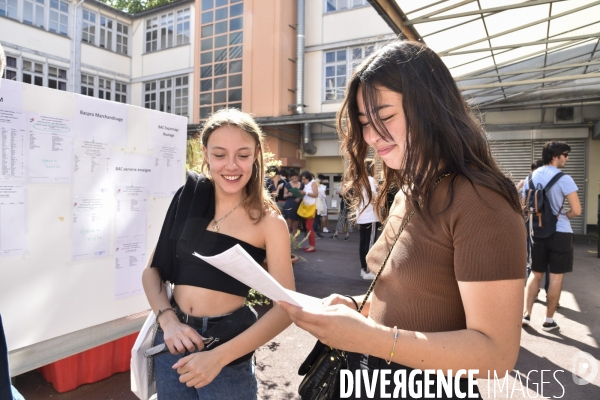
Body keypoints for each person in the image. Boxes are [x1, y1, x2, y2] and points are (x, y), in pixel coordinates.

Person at [280, 41, 526, 398]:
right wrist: (355, 306)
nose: (370, 135)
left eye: (385, 117)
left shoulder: (480, 200)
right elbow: (411, 295)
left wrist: (373, 338)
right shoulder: (411, 187)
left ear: (432, 107)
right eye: (364, 122)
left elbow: (497, 354)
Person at [141, 109, 294, 400]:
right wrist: (169, 322)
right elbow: (152, 271)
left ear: (257, 154)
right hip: (174, 343)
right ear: (206, 154)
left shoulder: (269, 222)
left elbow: (287, 308)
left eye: (243, 155)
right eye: (220, 154)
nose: (231, 165)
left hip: (228, 353)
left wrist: (219, 357)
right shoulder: (188, 197)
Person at [522, 141, 581, 332]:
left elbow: (525, 206)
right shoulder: (564, 179)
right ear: (555, 156)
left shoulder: (530, 177)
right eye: (565, 154)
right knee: (555, 277)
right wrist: (564, 214)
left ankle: (526, 315)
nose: (567, 158)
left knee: (535, 273)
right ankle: (548, 321)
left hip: (537, 231)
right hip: (560, 232)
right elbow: (577, 211)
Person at [356, 161, 380, 280]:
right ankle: (368, 270)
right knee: (370, 244)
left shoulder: (358, 179)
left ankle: (363, 269)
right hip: (370, 215)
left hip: (361, 216)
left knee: (363, 243)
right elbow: (374, 198)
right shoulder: (370, 180)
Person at [298, 171, 318, 253]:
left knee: (309, 227)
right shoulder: (306, 184)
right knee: (307, 227)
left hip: (311, 207)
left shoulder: (313, 183)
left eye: (304, 179)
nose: (303, 181)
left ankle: (312, 245)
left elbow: (316, 194)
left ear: (308, 178)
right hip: (306, 206)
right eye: (302, 179)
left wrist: (305, 192)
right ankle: (310, 244)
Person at [313, 174, 328, 238]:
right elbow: (324, 196)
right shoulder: (322, 187)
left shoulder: (312, 186)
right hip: (320, 203)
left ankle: (314, 232)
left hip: (313, 203)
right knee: (318, 217)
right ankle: (317, 231)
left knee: (314, 218)